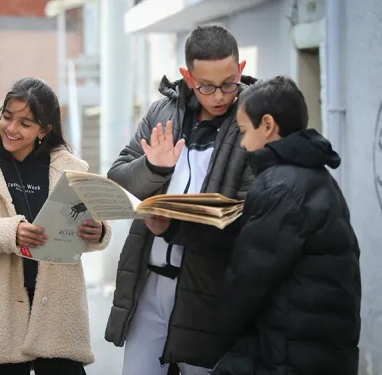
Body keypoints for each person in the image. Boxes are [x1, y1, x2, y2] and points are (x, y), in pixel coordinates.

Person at [104, 25, 257, 375]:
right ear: (188, 77)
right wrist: (155, 168)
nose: (219, 96)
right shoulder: (162, 112)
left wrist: (176, 228)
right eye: (206, 86)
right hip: (150, 281)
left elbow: (254, 211)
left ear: (241, 68)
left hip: (210, 287)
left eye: (229, 83)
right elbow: (119, 175)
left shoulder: (252, 120)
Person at [0, 77, 112, 375]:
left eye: (25, 123)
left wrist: (97, 232)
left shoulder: (70, 169)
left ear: (44, 130)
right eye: (7, 117)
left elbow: (89, 221)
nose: (11, 128)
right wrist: (12, 233)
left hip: (56, 304)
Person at [210, 76, 361, 375]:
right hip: (316, 347)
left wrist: (218, 339)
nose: (242, 142)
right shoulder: (314, 176)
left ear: (267, 125)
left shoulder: (281, 186)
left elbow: (247, 279)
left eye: (243, 131)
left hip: (289, 352)